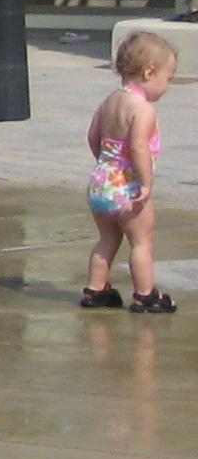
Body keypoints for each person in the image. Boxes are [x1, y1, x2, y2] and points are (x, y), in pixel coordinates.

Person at [81, 31, 177, 313]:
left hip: (101, 185)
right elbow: (138, 149)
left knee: (107, 239)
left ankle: (95, 290)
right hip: (127, 188)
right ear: (149, 72)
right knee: (141, 241)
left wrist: (105, 164)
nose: (167, 86)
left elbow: (92, 136)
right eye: (168, 78)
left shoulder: (109, 102)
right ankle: (145, 295)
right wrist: (145, 183)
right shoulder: (143, 109)